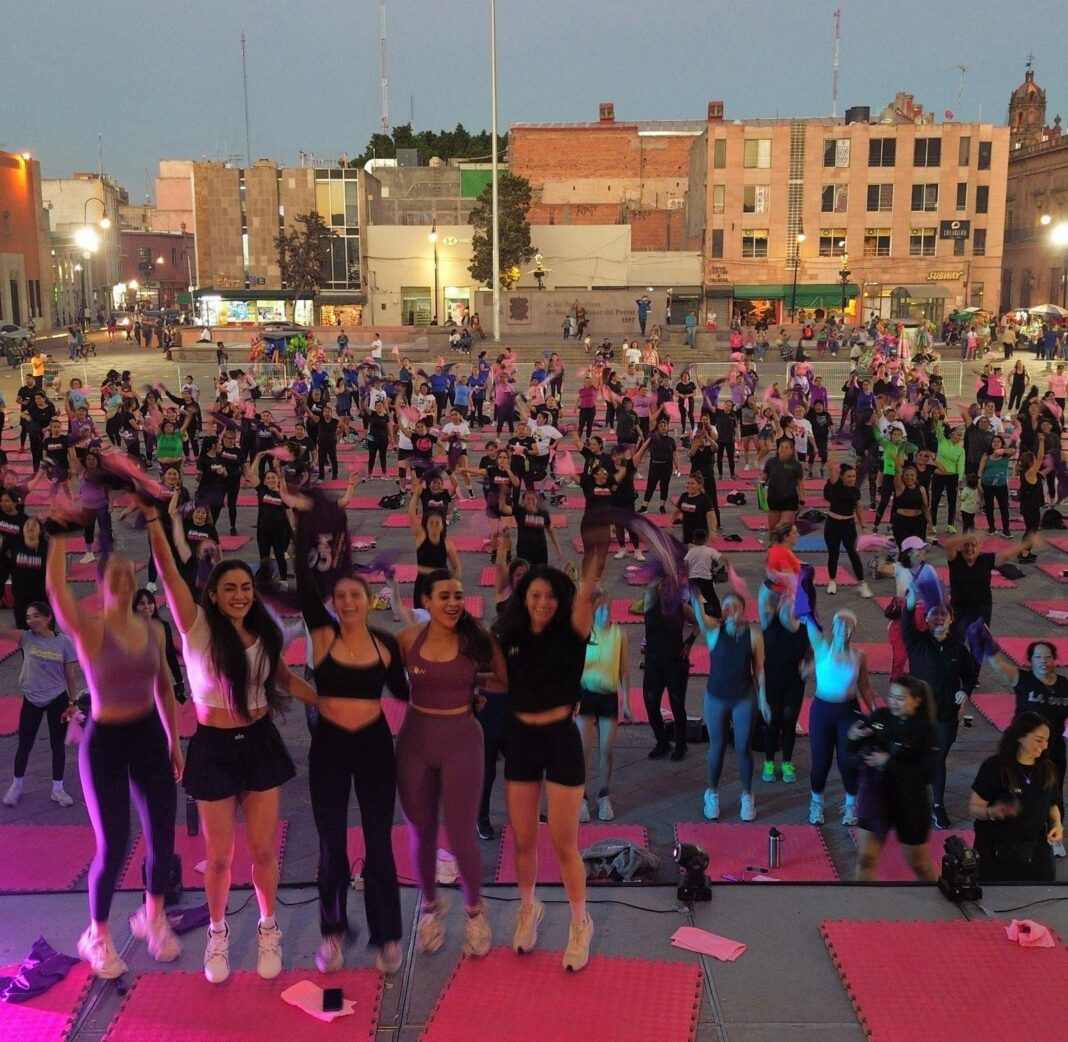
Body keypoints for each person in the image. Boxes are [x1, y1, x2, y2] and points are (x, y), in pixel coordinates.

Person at [140, 502, 317, 984]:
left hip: (259, 743)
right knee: (218, 857)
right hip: (214, 747)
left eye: (245, 588)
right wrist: (155, 521)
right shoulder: (195, 627)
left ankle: (268, 927)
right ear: (214, 595)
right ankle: (217, 934)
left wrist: (328, 702)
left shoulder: (265, 631)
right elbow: (167, 572)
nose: (239, 595)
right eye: (230, 589)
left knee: (262, 851)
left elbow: (284, 681)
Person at [45, 535, 183, 979]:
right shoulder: (89, 628)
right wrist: (57, 535)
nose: (124, 582)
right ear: (100, 584)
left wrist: (174, 741)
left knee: (162, 838)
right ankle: (97, 936)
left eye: (129, 574)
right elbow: (55, 590)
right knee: (114, 843)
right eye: (115, 577)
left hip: (148, 736)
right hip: (104, 742)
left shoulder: (153, 629)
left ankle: (153, 917)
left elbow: (164, 688)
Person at [290, 522, 411, 975]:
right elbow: (306, 590)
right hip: (330, 747)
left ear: (368, 599)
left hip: (375, 746)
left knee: (379, 844)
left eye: (354, 596)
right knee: (331, 845)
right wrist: (302, 531)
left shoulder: (386, 645)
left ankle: (388, 935)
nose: (347, 602)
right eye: (339, 597)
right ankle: (333, 931)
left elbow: (405, 693)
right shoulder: (323, 635)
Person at [396, 571, 507, 958]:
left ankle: (474, 911)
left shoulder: (476, 639)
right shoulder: (407, 639)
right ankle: (430, 907)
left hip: (462, 742)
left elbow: (504, 680)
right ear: (425, 601)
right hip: (415, 743)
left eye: (458, 595)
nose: (454, 603)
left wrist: (471, 685)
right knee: (420, 833)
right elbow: (384, 679)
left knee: (461, 835)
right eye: (444, 596)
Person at [492, 564, 597, 972]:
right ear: (524, 598)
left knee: (563, 843)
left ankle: (580, 923)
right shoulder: (510, 635)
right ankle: (528, 908)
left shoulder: (572, 633)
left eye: (550, 596)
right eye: (535, 595)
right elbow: (502, 681)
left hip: (560, 741)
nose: (542, 603)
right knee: (522, 840)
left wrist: (596, 554)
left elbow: (589, 584)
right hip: (521, 740)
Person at [900, 586, 978, 830]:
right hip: (917, 717)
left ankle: (937, 805)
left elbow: (970, 675)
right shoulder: (916, 642)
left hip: (945, 717)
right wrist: (912, 598)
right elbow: (905, 620)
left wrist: (966, 690)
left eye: (944, 613)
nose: (939, 617)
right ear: (925, 618)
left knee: (937, 759)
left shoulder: (958, 648)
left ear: (951, 619)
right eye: (934, 613)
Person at [849, 675, 939, 882]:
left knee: (920, 865)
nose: (893, 702)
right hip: (877, 798)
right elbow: (853, 749)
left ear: (916, 701)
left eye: (900, 698)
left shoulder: (926, 730)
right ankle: (862, 902)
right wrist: (852, 738)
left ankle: (941, 896)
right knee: (865, 860)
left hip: (910, 804)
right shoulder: (880, 716)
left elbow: (926, 774)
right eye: (891, 696)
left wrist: (888, 762)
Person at [984, 639, 1068, 857]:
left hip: (1053, 750)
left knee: (1053, 792)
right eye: (1038, 657)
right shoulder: (1023, 679)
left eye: (1047, 657)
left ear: (1054, 659)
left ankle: (1055, 834)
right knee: (1013, 788)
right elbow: (999, 666)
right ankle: (1008, 830)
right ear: (1030, 660)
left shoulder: (1064, 686)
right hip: (1019, 749)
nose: (1043, 661)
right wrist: (988, 647)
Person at [692, 590, 769, 821]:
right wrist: (695, 595)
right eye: (727, 606)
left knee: (743, 748)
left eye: (736, 606)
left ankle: (747, 795)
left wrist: (763, 700)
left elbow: (759, 670)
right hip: (715, 698)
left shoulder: (754, 635)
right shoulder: (714, 632)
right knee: (717, 747)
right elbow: (700, 617)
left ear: (743, 610)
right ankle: (712, 793)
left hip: (743, 698)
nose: (732, 610)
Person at [0, 601, 78, 809]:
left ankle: (58, 789)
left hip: (57, 699)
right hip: (32, 700)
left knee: (57, 745)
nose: (31, 621)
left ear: (48, 617)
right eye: (28, 617)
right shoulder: (26, 638)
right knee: (24, 744)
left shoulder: (64, 642)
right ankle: (16, 785)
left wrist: (72, 702)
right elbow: (4, 630)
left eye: (36, 616)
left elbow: (70, 675)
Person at [969, 712, 1063, 882]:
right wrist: (992, 812)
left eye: (1047, 741)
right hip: (996, 851)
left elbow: (1052, 803)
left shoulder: (1047, 769)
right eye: (1039, 740)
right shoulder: (995, 767)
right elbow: (974, 807)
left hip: (1036, 851)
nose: (1044, 746)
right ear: (1020, 736)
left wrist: (1056, 824)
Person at [804, 610, 877, 826]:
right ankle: (816, 803)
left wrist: (875, 712)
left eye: (848, 626)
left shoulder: (859, 656)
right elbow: (809, 619)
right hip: (822, 712)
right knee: (820, 761)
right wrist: (800, 597)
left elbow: (864, 686)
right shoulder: (821, 649)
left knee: (848, 762)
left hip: (848, 713)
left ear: (853, 630)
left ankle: (851, 805)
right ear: (833, 626)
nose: (843, 629)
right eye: (840, 624)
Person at [577, 598, 630, 822]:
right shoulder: (585, 633)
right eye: (601, 610)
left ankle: (604, 795)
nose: (606, 613)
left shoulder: (619, 634)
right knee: (583, 750)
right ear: (593, 612)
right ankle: (581, 798)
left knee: (606, 750)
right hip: (586, 696)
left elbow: (624, 670)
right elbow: (574, 666)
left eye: (609, 609)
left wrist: (626, 701)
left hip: (608, 697)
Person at [758, 584, 809, 784]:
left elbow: (812, 654)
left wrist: (809, 666)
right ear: (779, 603)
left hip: (794, 686)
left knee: (789, 724)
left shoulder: (804, 628)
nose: (789, 603)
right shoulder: (769, 622)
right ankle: (769, 762)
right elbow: (762, 597)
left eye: (793, 601)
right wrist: (773, 580)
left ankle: (787, 762)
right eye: (785, 599)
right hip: (772, 684)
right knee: (772, 724)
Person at [822, 462, 871, 596]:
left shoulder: (855, 490)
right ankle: (832, 581)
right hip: (832, 525)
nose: (851, 479)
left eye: (853, 476)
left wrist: (864, 526)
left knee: (853, 554)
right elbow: (831, 467)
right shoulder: (835, 485)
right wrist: (831, 455)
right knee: (833, 554)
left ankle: (862, 584)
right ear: (842, 477)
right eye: (849, 476)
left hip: (848, 526)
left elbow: (859, 508)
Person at [762, 437, 805, 531]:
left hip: (790, 501)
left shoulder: (796, 465)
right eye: (781, 447)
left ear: (792, 450)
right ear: (778, 449)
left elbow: (800, 483)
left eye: (786, 447)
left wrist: (802, 499)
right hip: (773, 499)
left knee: (784, 530)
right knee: (773, 529)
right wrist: (761, 499)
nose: (783, 449)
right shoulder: (770, 463)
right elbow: (762, 481)